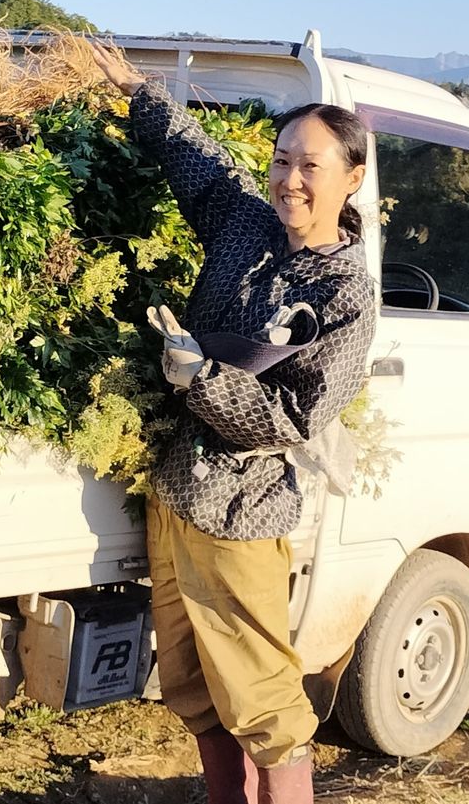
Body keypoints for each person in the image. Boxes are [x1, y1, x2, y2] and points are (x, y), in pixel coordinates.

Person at [88, 41, 377, 804]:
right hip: (177, 493)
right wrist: (139, 92)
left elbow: (295, 414)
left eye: (309, 166)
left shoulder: (346, 295)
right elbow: (204, 164)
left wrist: (202, 377)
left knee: (265, 703)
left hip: (241, 513)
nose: (289, 179)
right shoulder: (245, 227)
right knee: (192, 687)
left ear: (351, 178)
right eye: (283, 160)